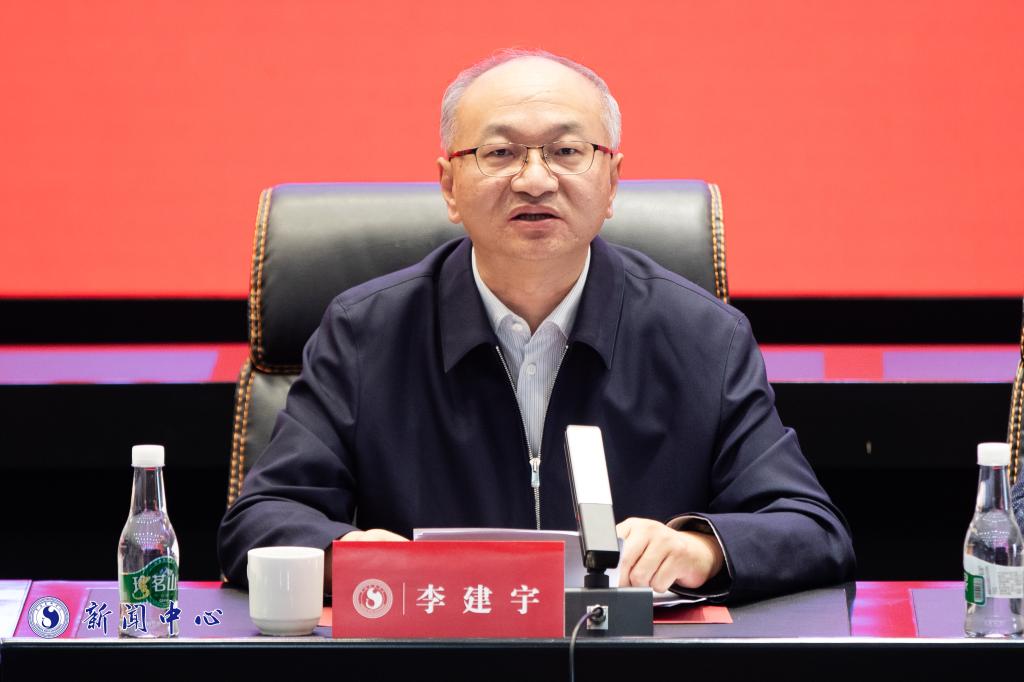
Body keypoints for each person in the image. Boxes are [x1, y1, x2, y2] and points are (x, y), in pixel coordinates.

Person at [218, 48, 855, 603]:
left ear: (612, 181)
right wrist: (350, 556)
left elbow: (811, 528)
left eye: (566, 151)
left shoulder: (704, 337)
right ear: (449, 186)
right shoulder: (365, 332)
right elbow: (261, 521)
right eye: (499, 153)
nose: (534, 180)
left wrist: (702, 547)